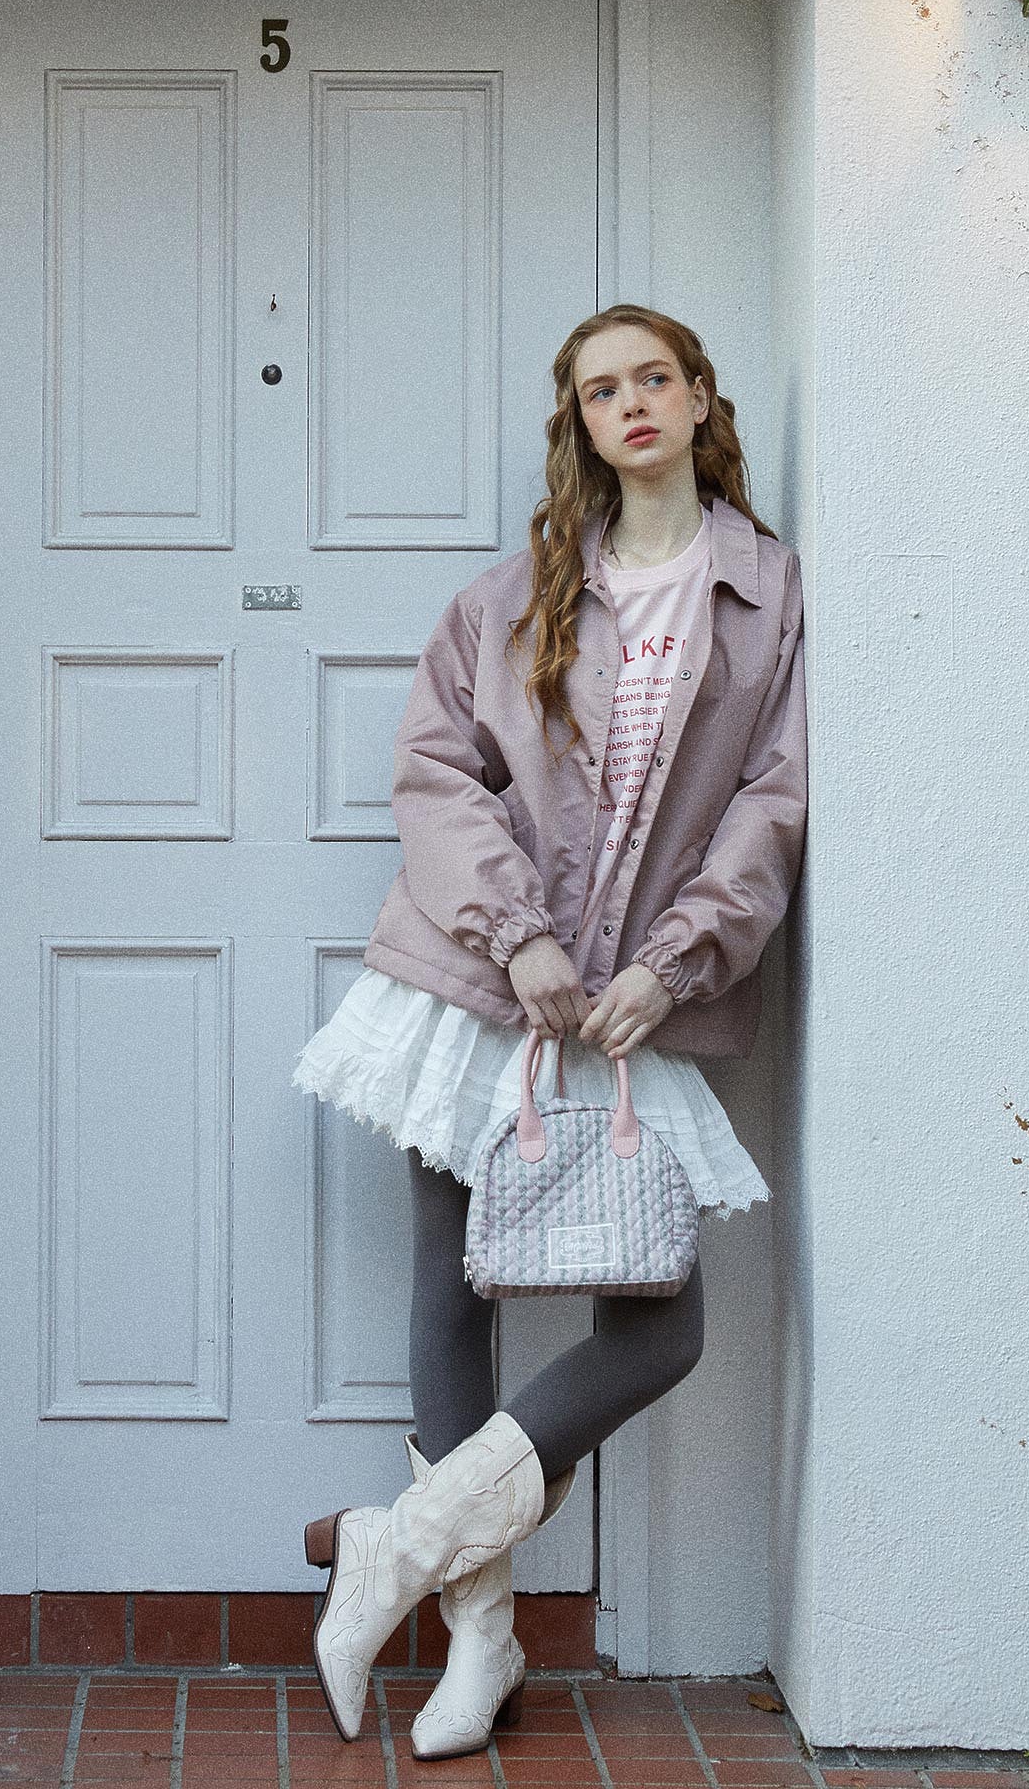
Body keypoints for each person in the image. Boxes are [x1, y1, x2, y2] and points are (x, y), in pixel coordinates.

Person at [290, 303, 809, 1761]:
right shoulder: (511, 597)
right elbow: (436, 779)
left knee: (658, 1324)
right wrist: (514, 932)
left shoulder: (766, 598)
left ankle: (396, 1549)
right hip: (477, 983)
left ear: (701, 402)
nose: (630, 403)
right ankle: (485, 1644)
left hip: (638, 996)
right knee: (454, 1288)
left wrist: (676, 963)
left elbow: (772, 809)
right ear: (575, 422)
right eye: (601, 388)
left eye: (655, 378)